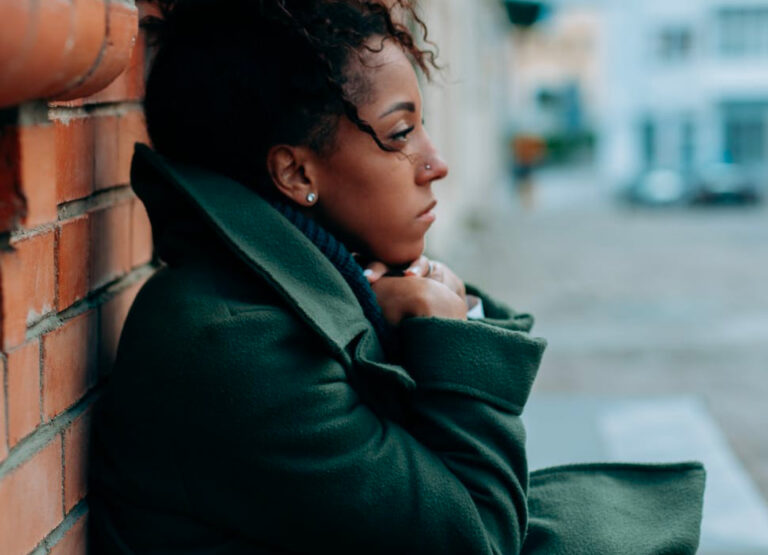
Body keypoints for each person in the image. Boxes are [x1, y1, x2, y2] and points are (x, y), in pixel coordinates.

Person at [88, 1, 706, 553]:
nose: (436, 163)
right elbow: (481, 540)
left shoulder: (308, 286)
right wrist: (442, 329)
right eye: (400, 134)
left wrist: (427, 302)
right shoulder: (229, 343)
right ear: (296, 175)